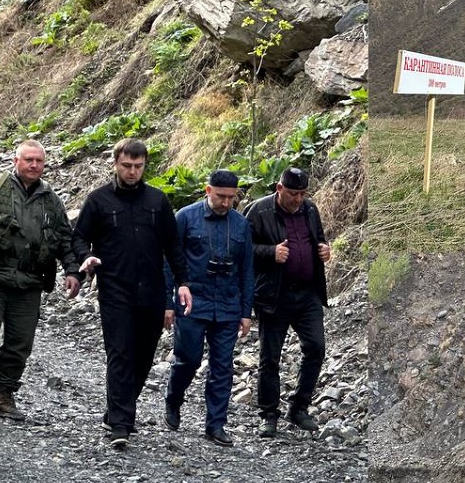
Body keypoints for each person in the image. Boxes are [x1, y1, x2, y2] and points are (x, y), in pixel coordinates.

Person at [72, 138, 191, 450]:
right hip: (115, 289)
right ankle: (121, 424)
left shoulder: (158, 201)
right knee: (120, 352)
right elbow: (79, 236)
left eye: (138, 166)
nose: (132, 172)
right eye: (127, 166)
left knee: (143, 356)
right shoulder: (98, 200)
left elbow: (173, 247)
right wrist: (85, 257)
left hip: (151, 290)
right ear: (115, 163)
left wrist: (183, 282)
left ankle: (116, 410)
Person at [0, 140, 81, 421]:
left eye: (38, 161)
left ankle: (4, 394)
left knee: (20, 342)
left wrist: (73, 271)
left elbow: (64, 240)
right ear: (16, 161)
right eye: (28, 160)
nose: (34, 165)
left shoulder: (51, 200)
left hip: (30, 281)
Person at [163, 170, 254, 447]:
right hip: (193, 302)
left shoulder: (241, 225)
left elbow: (247, 270)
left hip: (227, 304)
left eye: (231, 198)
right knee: (188, 359)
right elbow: (169, 261)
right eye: (221, 196)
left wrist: (245, 311)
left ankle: (216, 424)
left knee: (223, 367)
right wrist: (168, 303)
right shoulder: (185, 217)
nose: (226, 202)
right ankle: (173, 399)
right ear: (207, 190)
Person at [246, 167, 332, 438]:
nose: (298, 199)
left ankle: (299, 408)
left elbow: (318, 239)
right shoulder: (258, 211)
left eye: (303, 194)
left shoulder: (309, 210)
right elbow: (241, 249)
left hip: (307, 294)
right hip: (274, 294)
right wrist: (271, 252)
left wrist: (325, 249)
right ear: (279, 188)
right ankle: (268, 414)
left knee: (316, 348)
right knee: (270, 356)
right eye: (293, 193)